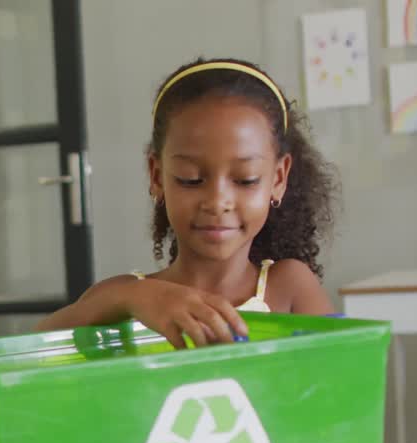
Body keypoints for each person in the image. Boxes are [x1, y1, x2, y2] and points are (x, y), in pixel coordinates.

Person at [38, 58, 340, 347]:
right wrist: (128, 297)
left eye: (246, 179)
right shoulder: (124, 297)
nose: (217, 202)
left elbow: (340, 380)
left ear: (278, 179)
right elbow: (28, 350)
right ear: (157, 176)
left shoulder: (289, 286)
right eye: (190, 178)